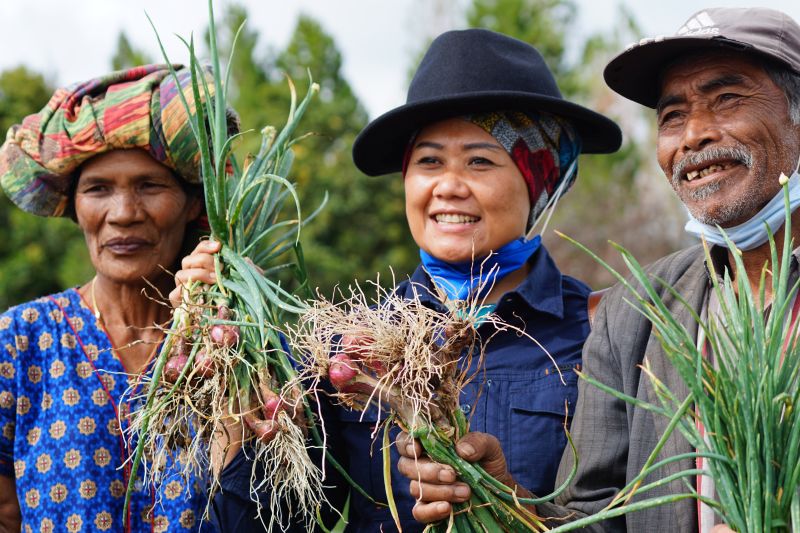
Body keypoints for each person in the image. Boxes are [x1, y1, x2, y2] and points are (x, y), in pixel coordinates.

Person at [176, 28, 621, 531]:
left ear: (537, 182)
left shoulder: (600, 334)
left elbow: (632, 515)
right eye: (428, 161)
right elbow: (274, 521)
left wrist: (510, 506)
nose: (448, 186)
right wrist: (240, 388)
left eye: (480, 161)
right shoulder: (349, 348)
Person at [397, 7, 800, 533]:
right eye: (672, 114)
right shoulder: (637, 312)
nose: (694, 134)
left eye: (727, 99)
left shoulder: (590, 317)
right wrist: (502, 496)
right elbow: (592, 518)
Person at [0, 65, 229, 532]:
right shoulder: (18, 342)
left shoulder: (232, 342)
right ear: (75, 207)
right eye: (98, 189)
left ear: (192, 204)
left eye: (150, 185)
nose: (123, 214)